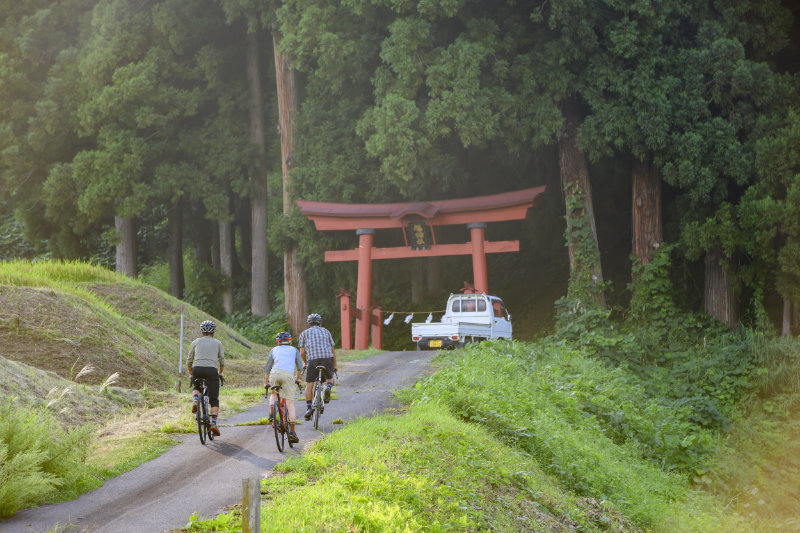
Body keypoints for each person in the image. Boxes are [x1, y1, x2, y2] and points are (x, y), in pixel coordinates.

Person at [265, 331, 303, 443]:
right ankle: (292, 432)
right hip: (288, 375)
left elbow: (267, 368)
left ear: (278, 342)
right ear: (290, 341)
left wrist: (266, 381)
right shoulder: (294, 350)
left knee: (274, 393)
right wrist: (297, 378)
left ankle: (272, 413)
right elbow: (300, 367)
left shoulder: (273, 350)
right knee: (290, 403)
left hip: (275, 373)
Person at [188, 320, 224, 436]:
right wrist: (220, 372)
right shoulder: (218, 343)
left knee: (196, 386)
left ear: (201, 332)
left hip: (197, 369)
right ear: (213, 333)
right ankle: (213, 423)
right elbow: (222, 361)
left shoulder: (195, 342)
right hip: (212, 370)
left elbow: (189, 361)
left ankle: (195, 400)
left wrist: (191, 374)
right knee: (214, 399)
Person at [298, 313, 337, 421]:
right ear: (320, 323)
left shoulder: (304, 333)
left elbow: (302, 352)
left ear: (309, 323)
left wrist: (306, 362)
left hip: (313, 360)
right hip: (327, 358)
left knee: (309, 385)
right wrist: (335, 365)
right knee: (330, 378)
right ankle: (328, 388)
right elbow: (332, 350)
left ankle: (309, 408)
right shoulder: (326, 331)